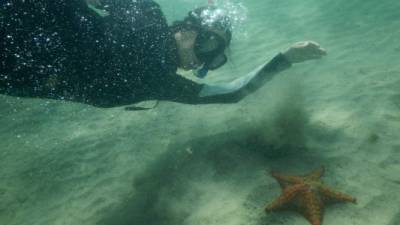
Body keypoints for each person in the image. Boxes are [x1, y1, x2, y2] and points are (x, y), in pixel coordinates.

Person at [0, 0, 326, 108]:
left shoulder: (161, 83)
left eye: (217, 57)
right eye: (210, 44)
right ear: (186, 29)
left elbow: (232, 92)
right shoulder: (147, 14)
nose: (205, 60)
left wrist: (285, 58)